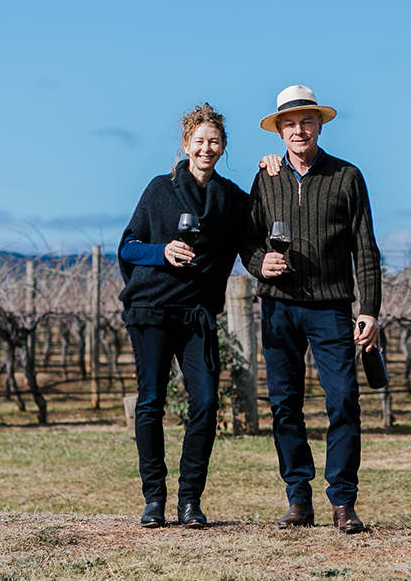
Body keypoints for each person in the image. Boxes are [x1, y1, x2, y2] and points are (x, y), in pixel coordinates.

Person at [118, 103, 279, 529]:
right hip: (151, 309)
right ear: (186, 144)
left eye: (214, 141)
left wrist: (269, 169)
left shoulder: (229, 199)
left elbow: (260, 220)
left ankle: (190, 501)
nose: (206, 148)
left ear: (223, 147)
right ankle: (154, 499)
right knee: (150, 403)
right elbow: (127, 246)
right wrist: (163, 250)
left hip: (197, 316)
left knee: (205, 403)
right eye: (199, 141)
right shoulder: (160, 189)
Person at [241, 84, 382, 534]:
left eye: (306, 121)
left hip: (332, 309)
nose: (298, 130)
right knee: (285, 404)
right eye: (289, 124)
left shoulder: (347, 177)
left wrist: (371, 309)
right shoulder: (267, 177)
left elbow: (366, 248)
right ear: (279, 132)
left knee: (343, 400)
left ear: (319, 125)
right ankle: (298, 499)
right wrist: (259, 263)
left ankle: (343, 501)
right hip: (279, 308)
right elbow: (247, 239)